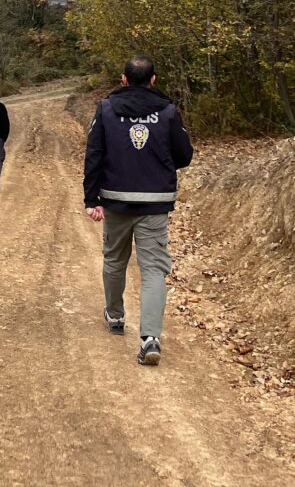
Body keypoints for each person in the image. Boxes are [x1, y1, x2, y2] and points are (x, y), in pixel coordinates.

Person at [83, 54, 193, 366]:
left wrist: (91, 199)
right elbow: (184, 155)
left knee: (114, 260)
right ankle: (150, 339)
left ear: (123, 79)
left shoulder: (106, 109)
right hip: (155, 203)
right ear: (153, 80)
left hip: (116, 200)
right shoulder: (168, 111)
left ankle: (115, 317)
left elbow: (94, 154)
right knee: (154, 268)